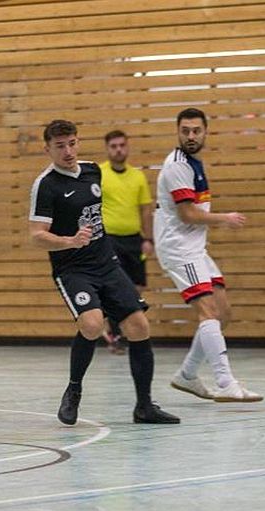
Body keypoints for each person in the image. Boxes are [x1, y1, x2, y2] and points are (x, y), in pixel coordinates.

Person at [28, 120, 179, 425]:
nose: (68, 151)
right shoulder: (45, 185)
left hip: (106, 263)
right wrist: (70, 241)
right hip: (72, 269)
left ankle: (144, 406)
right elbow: (36, 234)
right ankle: (74, 391)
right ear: (48, 149)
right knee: (92, 324)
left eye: (72, 143)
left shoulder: (93, 171)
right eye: (60, 146)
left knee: (139, 326)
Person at [155, 108, 262, 403]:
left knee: (222, 313)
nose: (191, 136)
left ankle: (187, 375)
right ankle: (226, 383)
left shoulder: (194, 163)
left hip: (195, 248)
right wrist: (224, 218)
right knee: (208, 313)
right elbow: (188, 214)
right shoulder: (177, 166)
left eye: (196, 131)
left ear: (205, 132)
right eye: (185, 131)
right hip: (178, 248)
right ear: (177, 132)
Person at [99, 129, 154, 354]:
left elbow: (146, 210)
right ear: (107, 149)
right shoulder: (99, 174)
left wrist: (148, 239)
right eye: (114, 146)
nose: (118, 149)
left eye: (122, 145)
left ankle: (125, 329)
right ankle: (116, 335)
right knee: (114, 287)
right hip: (109, 239)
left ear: (127, 146)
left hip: (134, 239)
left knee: (135, 288)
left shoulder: (137, 176)